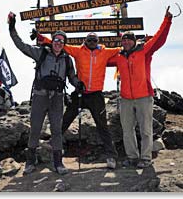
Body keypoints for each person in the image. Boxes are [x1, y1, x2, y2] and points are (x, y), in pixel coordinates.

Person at [7, 11, 82, 175]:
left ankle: (58, 163)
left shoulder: (67, 59)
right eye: (56, 40)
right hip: (40, 96)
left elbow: (71, 77)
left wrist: (78, 84)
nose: (58, 43)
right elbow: (20, 45)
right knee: (35, 129)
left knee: (56, 130)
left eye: (61, 41)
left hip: (57, 98)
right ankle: (30, 162)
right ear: (52, 41)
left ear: (64, 44)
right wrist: (12, 27)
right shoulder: (41, 52)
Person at [38, 32, 121, 169]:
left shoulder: (105, 52)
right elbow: (60, 44)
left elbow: (123, 48)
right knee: (66, 119)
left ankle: (111, 156)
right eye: (90, 40)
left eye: (94, 40)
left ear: (98, 41)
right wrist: (41, 38)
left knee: (102, 126)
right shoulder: (78, 50)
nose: (92, 42)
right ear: (85, 40)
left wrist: (142, 42)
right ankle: (53, 142)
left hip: (96, 95)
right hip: (80, 93)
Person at [108, 7, 173, 168]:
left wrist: (167, 20)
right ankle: (132, 157)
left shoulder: (145, 51)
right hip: (126, 99)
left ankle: (145, 158)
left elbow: (159, 39)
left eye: (129, 39)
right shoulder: (119, 57)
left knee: (145, 129)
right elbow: (98, 60)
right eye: (124, 40)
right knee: (127, 130)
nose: (126, 42)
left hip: (144, 96)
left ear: (135, 40)